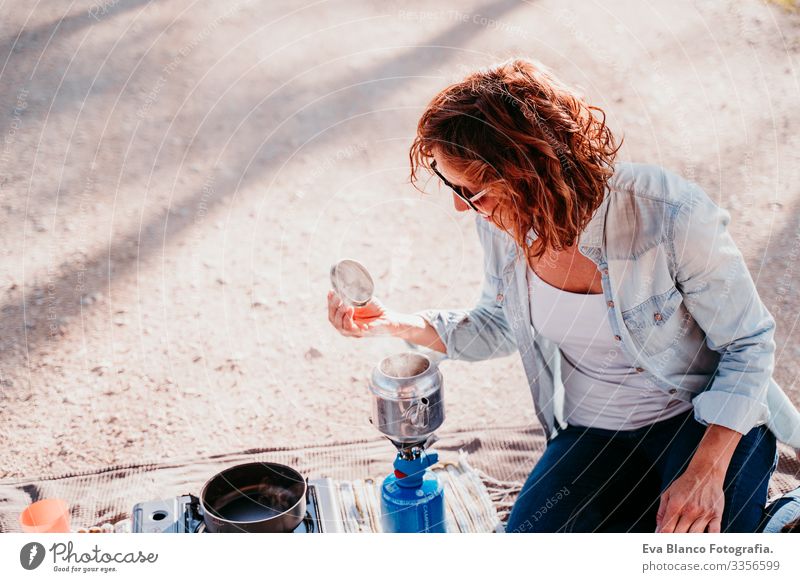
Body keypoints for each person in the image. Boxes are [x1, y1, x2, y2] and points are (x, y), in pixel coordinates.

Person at [326, 58, 800, 533]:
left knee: (691, 557)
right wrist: (394, 323)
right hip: (594, 432)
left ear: (529, 174)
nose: (460, 205)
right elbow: (499, 325)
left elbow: (749, 344)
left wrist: (706, 473)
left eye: (471, 191)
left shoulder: (669, 213)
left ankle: (777, 520)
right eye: (454, 186)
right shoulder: (502, 221)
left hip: (700, 421)